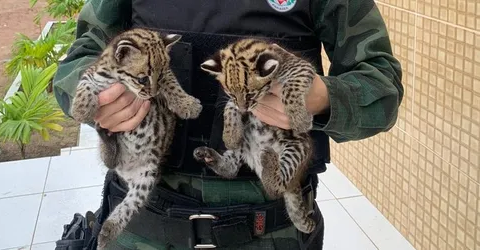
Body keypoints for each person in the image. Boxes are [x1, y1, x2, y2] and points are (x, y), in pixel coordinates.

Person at [53, 0, 403, 249]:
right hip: (140, 224)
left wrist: (323, 98)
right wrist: (97, 100)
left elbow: (382, 86)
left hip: (270, 231)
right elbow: (83, 53)